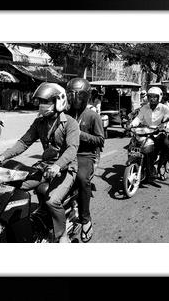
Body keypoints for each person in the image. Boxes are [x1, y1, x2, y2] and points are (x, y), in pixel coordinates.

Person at [0, 82, 80, 243]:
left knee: (52, 200)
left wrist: (57, 165)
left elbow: (71, 149)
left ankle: (62, 235)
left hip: (66, 168)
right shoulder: (39, 122)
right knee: (12, 185)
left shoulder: (70, 123)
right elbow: (24, 142)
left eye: (46, 101)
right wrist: (2, 156)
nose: (42, 105)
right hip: (44, 167)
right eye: (40, 102)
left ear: (58, 101)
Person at [66, 78, 104, 243]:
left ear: (86, 96)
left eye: (79, 96)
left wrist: (80, 135)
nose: (76, 100)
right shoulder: (65, 113)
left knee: (81, 179)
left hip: (85, 156)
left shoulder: (92, 116)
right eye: (72, 95)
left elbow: (100, 140)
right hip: (67, 154)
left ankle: (85, 219)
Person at [130, 87, 169, 178]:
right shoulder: (144, 108)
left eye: (155, 97)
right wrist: (131, 125)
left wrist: (167, 129)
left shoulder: (165, 108)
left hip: (159, 133)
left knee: (167, 144)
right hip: (145, 132)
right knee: (134, 143)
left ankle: (161, 164)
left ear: (159, 98)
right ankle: (137, 161)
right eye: (150, 96)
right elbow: (138, 118)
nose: (152, 99)